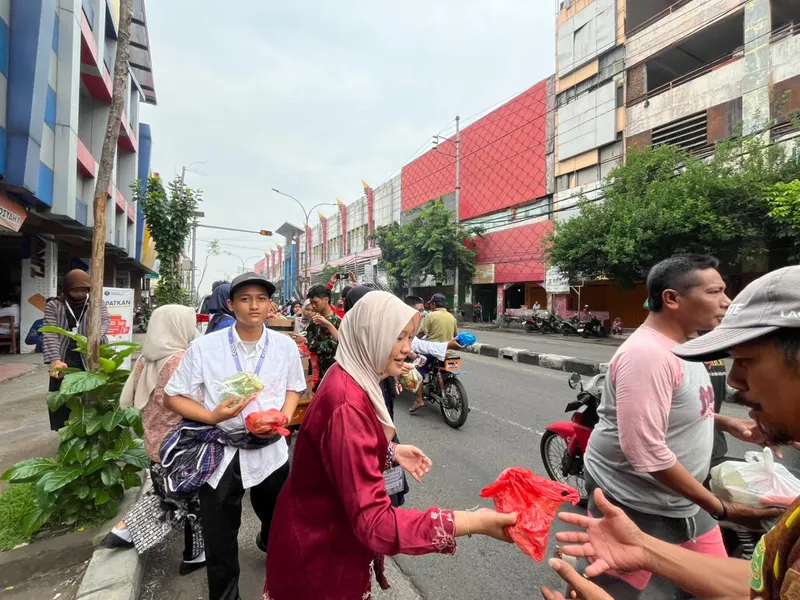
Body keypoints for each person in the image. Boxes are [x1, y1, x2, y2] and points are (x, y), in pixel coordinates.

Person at [545, 265, 799, 600]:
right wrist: (718, 508)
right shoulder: (648, 353)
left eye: (748, 360)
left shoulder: (686, 347)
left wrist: (725, 424)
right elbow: (645, 451)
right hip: (640, 500)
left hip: (685, 500)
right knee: (609, 579)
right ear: (672, 299)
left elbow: (681, 408)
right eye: (714, 291)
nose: (725, 301)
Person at [263, 291, 517, 599]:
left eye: (410, 337)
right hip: (320, 556)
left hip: (320, 535)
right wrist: (475, 522)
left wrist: (389, 450)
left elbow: (336, 453)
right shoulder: (348, 403)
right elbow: (376, 523)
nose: (408, 349)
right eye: (399, 337)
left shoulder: (349, 376)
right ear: (372, 336)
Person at [163, 272, 306, 600]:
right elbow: (173, 396)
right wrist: (213, 416)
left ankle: (275, 561)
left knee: (283, 522)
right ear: (230, 304)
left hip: (271, 450)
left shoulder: (284, 346)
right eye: (245, 299)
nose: (254, 305)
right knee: (221, 539)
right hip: (222, 450)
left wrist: (284, 414)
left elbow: (294, 388)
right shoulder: (205, 348)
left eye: (261, 298)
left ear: (270, 305)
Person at [101, 306, 205, 574]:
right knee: (188, 499)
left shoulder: (146, 359)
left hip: (156, 443)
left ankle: (124, 532)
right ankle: (190, 553)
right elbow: (195, 402)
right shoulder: (178, 361)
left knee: (168, 492)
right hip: (180, 445)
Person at [42, 269, 109, 430]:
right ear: (66, 288)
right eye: (75, 290)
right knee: (63, 396)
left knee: (91, 394)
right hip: (65, 357)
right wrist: (54, 359)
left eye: (84, 290)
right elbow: (50, 332)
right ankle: (66, 431)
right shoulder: (54, 305)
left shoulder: (96, 303)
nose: (79, 294)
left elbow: (104, 322)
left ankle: (90, 431)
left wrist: (94, 340)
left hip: (90, 356)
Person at [305, 284, 341, 389]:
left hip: (331, 372)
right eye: (311, 303)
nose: (313, 306)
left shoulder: (337, 321)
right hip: (315, 374)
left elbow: (332, 346)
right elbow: (308, 339)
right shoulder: (314, 321)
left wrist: (309, 343)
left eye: (316, 302)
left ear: (326, 300)